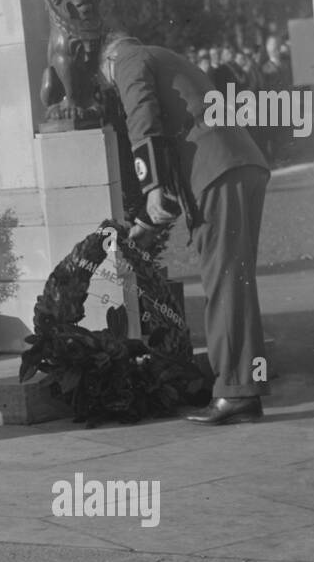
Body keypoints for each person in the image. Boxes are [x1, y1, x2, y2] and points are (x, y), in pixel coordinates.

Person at [99, 30, 271, 426]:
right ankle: (242, 387)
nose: (116, 88)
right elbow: (182, 141)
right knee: (235, 282)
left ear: (109, 61)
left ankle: (235, 392)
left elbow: (142, 116)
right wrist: (146, 221)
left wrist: (151, 186)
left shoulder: (127, 57)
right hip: (236, 165)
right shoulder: (169, 58)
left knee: (225, 283)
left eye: (110, 85)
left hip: (217, 171)